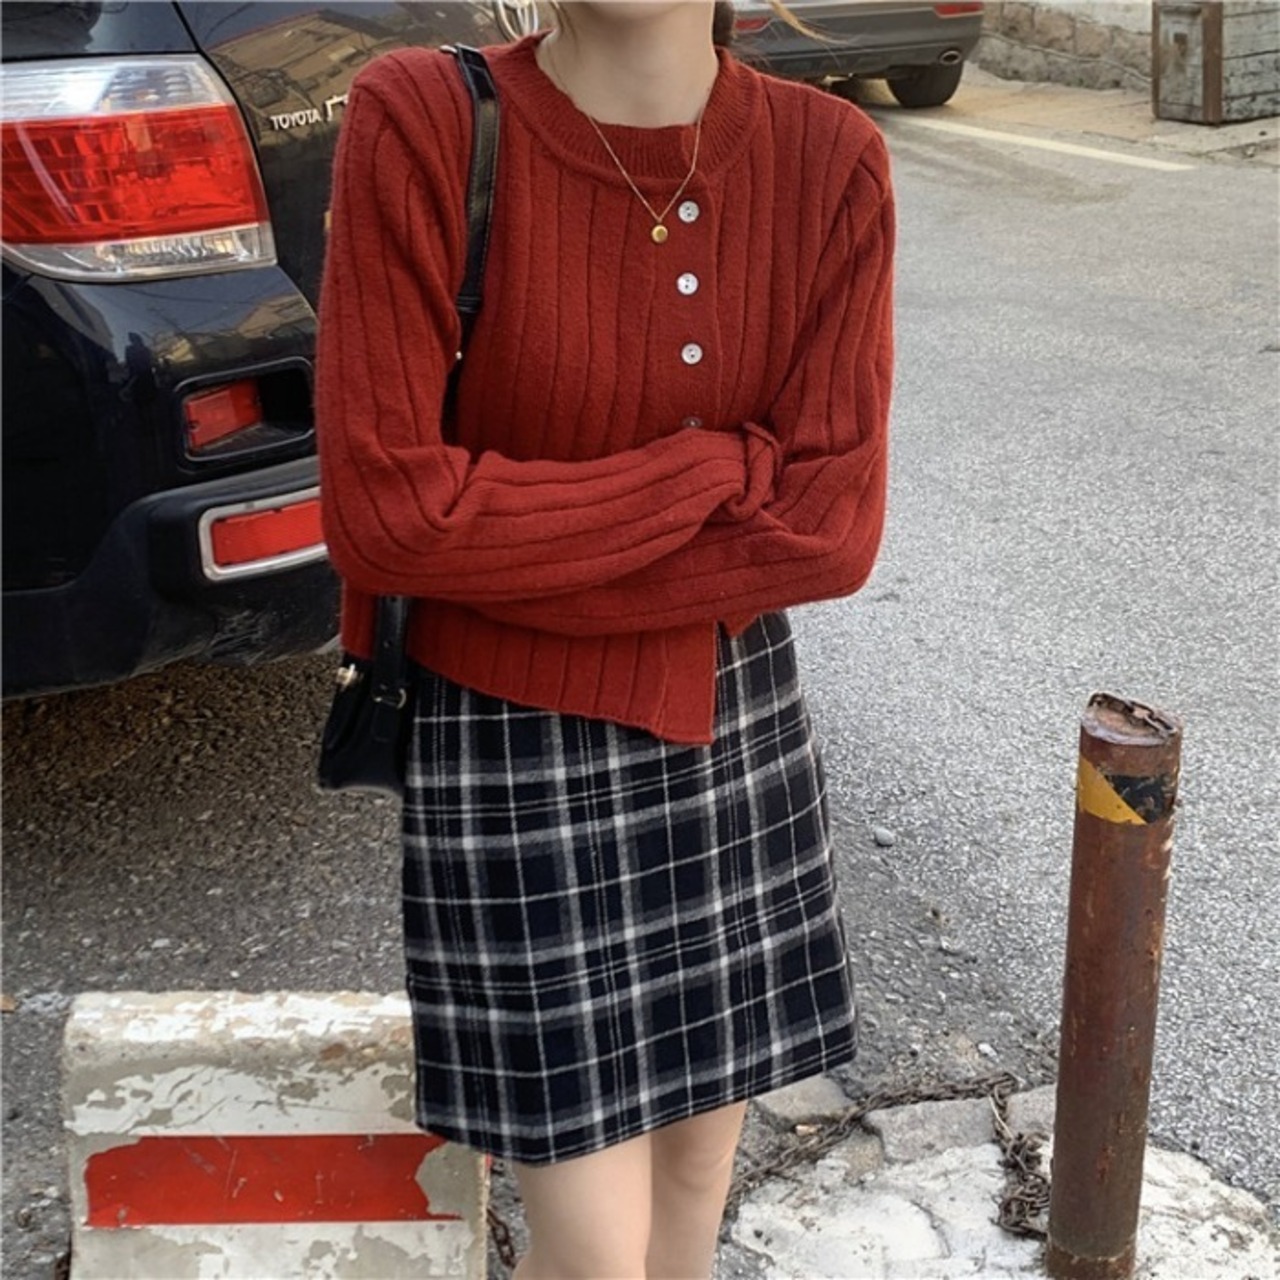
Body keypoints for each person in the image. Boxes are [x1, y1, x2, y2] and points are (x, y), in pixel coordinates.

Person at [316, 2, 895, 1276]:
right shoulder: (423, 118)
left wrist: (501, 549)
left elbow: (827, 533)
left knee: (692, 1179)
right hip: (509, 736)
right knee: (589, 1244)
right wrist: (707, 472)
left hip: (728, 714)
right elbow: (386, 517)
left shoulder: (830, 155)